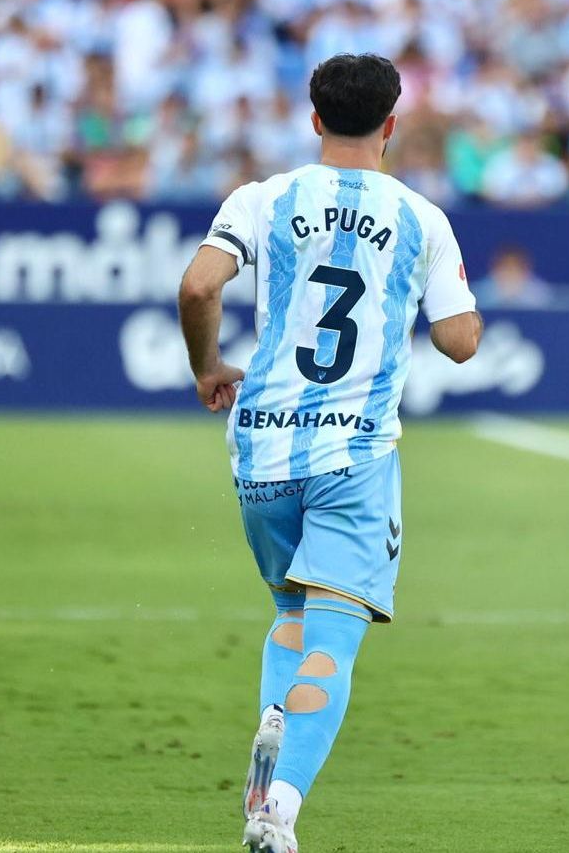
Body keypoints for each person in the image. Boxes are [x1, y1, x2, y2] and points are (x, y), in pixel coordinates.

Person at [176, 53, 482, 853]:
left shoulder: (262, 199)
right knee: (334, 642)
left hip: (263, 448)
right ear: (392, 125)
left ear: (313, 120)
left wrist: (208, 369)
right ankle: (277, 809)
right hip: (356, 454)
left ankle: (273, 735)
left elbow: (198, 286)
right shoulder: (421, 217)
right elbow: (458, 342)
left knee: (291, 611)